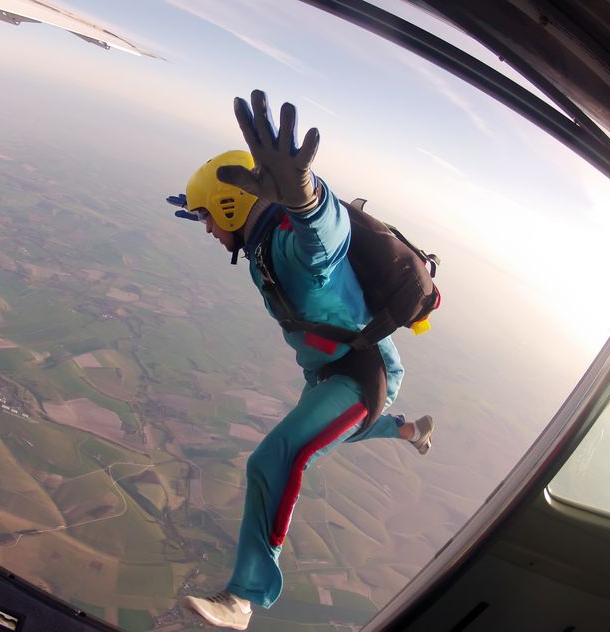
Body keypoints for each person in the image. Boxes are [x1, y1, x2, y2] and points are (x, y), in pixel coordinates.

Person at [171, 90, 434, 630]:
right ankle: (411, 432)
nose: (205, 228)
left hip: (360, 375)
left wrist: (306, 198)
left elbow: (326, 242)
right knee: (327, 434)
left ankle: (242, 599)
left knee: (277, 457)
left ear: (231, 207)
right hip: (327, 370)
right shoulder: (262, 243)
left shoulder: (291, 245)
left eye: (206, 216)